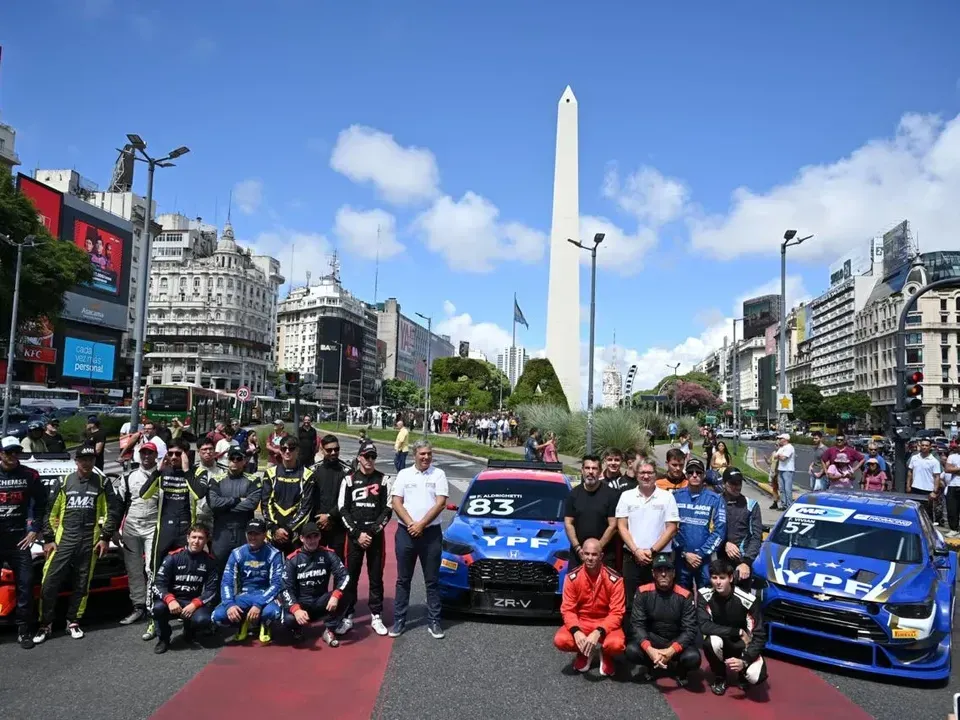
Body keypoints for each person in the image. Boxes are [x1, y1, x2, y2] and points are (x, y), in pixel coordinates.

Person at [35, 445, 121, 643]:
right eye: (83, 459)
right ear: (76, 461)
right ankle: (45, 624)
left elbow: (112, 512)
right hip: (63, 541)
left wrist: (105, 537)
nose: (87, 463)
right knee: (49, 583)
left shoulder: (103, 482)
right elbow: (50, 512)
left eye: (90, 459)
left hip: (89, 541)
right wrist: (48, 539)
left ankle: (73, 621)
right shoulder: (64, 481)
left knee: (82, 584)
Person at [390, 439, 448, 639]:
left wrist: (422, 524)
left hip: (430, 534)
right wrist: (411, 524)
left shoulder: (439, 474)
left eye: (429, 454)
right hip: (406, 533)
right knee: (403, 579)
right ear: (414, 454)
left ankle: (434, 621)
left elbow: (441, 503)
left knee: (431, 580)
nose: (426, 457)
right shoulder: (404, 474)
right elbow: (396, 501)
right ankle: (399, 620)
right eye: (422, 454)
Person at [337, 440, 391, 637]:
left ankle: (376, 615)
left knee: (376, 577)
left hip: (375, 537)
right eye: (366, 456)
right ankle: (348, 615)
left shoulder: (384, 479)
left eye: (373, 456)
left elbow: (388, 509)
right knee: (350, 577)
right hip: (354, 537)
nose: (369, 460)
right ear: (359, 457)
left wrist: (373, 531)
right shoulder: (348, 480)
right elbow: (343, 509)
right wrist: (357, 533)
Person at [625, 553, 700, 686]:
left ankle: (680, 670)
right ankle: (651, 664)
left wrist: (671, 650)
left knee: (693, 658)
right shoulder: (642, 592)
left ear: (674, 573)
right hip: (653, 640)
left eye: (667, 570)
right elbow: (637, 625)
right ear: (653, 573)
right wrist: (650, 649)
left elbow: (690, 630)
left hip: (675, 641)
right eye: (659, 570)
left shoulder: (685, 595)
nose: (663, 574)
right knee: (631, 650)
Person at [553, 538, 626, 677]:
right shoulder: (572, 578)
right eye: (586, 554)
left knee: (616, 644)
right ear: (582, 555)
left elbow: (617, 613)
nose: (590, 558)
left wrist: (598, 631)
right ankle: (584, 651)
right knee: (561, 640)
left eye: (594, 554)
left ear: (601, 556)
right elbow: (568, 609)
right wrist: (576, 631)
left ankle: (606, 654)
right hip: (582, 621)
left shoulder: (615, 580)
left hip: (606, 622)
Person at [0, 435, 47, 649]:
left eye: (16, 452)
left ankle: (23, 630)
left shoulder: (30, 474)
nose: (13, 456)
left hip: (20, 540)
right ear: (0, 453)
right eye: (8, 452)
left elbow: (41, 504)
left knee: (26, 584)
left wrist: (35, 530)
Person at [698, 559, 768, 695]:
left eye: (722, 578)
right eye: (714, 578)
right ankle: (720, 676)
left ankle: (743, 673)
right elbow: (704, 626)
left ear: (730, 578)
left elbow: (760, 635)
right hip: (723, 641)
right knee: (711, 641)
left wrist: (746, 660)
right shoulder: (704, 595)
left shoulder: (747, 599)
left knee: (756, 677)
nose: (718, 582)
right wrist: (737, 631)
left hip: (742, 645)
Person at [615, 459, 679, 604]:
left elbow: (672, 528)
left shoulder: (667, 497)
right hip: (632, 556)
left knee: (659, 600)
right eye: (642, 472)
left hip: (659, 556)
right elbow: (621, 526)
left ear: (656, 475)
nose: (646, 476)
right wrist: (636, 550)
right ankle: (633, 627)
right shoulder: (626, 496)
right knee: (631, 600)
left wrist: (652, 551)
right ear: (637, 475)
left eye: (650, 472)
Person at [213, 519, 284, 644]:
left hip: (265, 595)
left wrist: (258, 604)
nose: (252, 537)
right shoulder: (237, 553)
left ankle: (264, 624)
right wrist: (229, 604)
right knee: (217, 617)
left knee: (273, 613)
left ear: (264, 534)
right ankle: (242, 621)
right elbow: (227, 582)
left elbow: (277, 584)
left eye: (256, 534)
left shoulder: (274, 554)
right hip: (244, 595)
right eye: (250, 533)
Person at [150, 524, 218, 654]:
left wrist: (195, 604)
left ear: (205, 541)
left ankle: (190, 630)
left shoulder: (210, 561)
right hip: (173, 601)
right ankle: (163, 638)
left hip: (192, 602)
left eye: (200, 538)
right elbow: (158, 583)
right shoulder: (173, 557)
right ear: (188, 538)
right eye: (193, 537)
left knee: (203, 619)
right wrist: (170, 600)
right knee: (157, 608)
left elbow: (211, 590)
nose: (196, 541)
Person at [281, 521, 350, 646]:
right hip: (301, 604)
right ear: (301, 538)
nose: (312, 541)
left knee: (345, 594)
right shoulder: (292, 559)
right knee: (288, 619)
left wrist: (336, 595)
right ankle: (297, 629)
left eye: (315, 536)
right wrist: (296, 610)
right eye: (308, 537)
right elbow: (285, 588)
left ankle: (329, 630)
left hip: (320, 602)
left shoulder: (329, 554)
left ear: (320, 537)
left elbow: (344, 576)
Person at [117, 441, 161, 628]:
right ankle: (138, 606)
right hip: (131, 529)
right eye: (143, 453)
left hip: (153, 528)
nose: (146, 456)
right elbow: (118, 505)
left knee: (152, 568)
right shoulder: (128, 477)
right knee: (134, 570)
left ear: (155, 456)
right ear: (138, 455)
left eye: (150, 453)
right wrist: (112, 531)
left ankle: (153, 607)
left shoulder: (163, 476)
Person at [208, 447, 263, 577]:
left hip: (244, 531)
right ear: (228, 460)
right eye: (232, 458)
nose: (235, 461)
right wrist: (237, 500)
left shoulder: (253, 480)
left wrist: (225, 505)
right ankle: (217, 597)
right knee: (218, 572)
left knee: (247, 572)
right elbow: (214, 504)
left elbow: (251, 504)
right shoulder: (216, 480)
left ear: (244, 461)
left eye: (239, 459)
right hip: (222, 532)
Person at [673, 458, 726, 590]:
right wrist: (685, 554)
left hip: (705, 560)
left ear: (703, 475)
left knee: (706, 597)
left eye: (698, 472)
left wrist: (700, 555)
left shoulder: (716, 499)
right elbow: (669, 529)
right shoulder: (675, 496)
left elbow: (720, 531)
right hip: (681, 558)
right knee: (681, 597)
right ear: (686, 475)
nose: (694, 475)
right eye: (691, 472)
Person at [262, 436, 316, 554]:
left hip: (295, 534)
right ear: (280, 451)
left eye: (291, 448)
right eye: (284, 448)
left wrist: (288, 529)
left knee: (295, 570)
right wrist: (274, 528)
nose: (287, 451)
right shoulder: (270, 473)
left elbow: (305, 507)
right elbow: (266, 504)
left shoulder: (307, 475)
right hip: (274, 533)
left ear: (298, 451)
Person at [564, 455, 618, 569]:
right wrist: (578, 549)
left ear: (600, 471)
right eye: (587, 468)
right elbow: (568, 523)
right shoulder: (573, 494)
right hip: (578, 555)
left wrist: (596, 550)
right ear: (582, 470)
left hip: (604, 555)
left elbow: (613, 525)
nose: (590, 472)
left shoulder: (611, 495)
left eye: (594, 468)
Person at [716, 468, 762, 587]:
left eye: (739, 483)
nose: (737, 487)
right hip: (718, 561)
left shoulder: (751, 505)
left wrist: (746, 562)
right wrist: (725, 543)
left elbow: (756, 537)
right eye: (732, 483)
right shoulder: (715, 502)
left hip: (741, 564)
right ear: (724, 484)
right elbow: (710, 529)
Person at [313, 434, 348, 561]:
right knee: (316, 564)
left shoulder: (348, 471)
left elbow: (347, 499)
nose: (333, 452)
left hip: (338, 524)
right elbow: (309, 499)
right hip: (317, 524)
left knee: (338, 563)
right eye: (329, 450)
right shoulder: (313, 471)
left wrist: (330, 516)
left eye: (336, 449)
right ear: (322, 449)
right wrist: (321, 518)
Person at [907, 438, 942, 521]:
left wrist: (934, 491)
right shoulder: (914, 458)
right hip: (915, 488)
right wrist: (908, 485)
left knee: (927, 514)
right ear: (920, 446)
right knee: (914, 511)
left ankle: (928, 532)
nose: (924, 447)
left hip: (928, 490)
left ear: (930, 447)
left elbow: (937, 477)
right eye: (922, 445)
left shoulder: (934, 461)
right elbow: (910, 472)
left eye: (926, 445)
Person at [773, 433, 796, 511]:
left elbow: (783, 458)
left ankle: (789, 505)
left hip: (788, 470)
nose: (779, 440)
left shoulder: (790, 447)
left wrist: (779, 455)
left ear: (785, 439)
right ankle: (783, 504)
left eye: (780, 439)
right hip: (781, 469)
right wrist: (780, 455)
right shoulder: (782, 448)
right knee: (782, 488)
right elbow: (775, 457)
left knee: (787, 489)